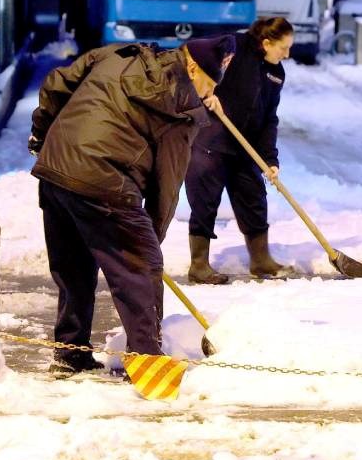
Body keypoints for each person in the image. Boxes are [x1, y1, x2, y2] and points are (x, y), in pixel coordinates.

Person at [29, 35, 235, 377]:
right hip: (106, 181)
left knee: (75, 269)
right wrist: (147, 246)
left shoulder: (120, 54)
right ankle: (147, 364)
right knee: (141, 272)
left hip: (56, 171)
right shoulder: (181, 106)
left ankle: (69, 355)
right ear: (193, 67)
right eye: (209, 84)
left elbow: (56, 84)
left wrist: (42, 135)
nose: (209, 94)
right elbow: (166, 186)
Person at [186, 18, 296, 284]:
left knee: (254, 197)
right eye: (283, 48)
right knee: (205, 200)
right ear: (266, 42)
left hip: (244, 145)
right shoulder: (233, 46)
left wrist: (269, 159)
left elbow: (270, 119)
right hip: (210, 139)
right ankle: (199, 265)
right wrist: (205, 95)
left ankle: (261, 260)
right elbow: (192, 54)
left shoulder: (276, 73)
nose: (287, 54)